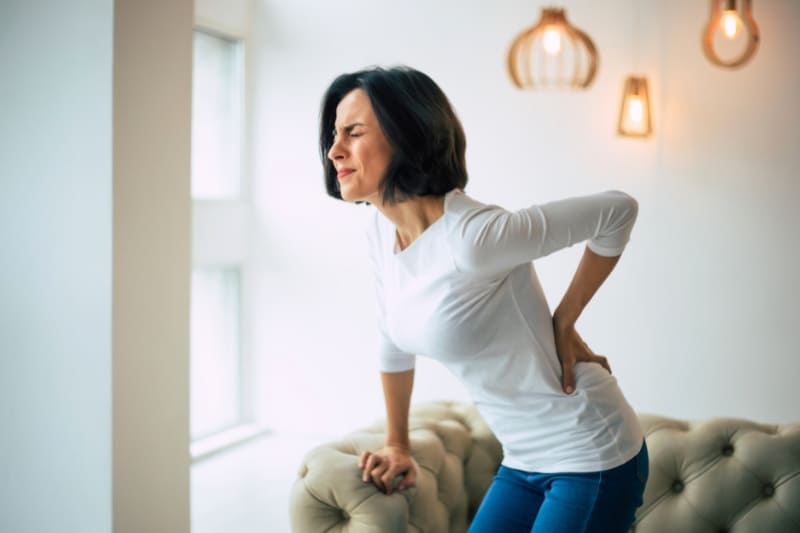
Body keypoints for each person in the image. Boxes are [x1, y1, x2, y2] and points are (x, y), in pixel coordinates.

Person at [319, 65, 648, 533]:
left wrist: (564, 319)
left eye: (353, 132)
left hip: (590, 452)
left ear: (405, 135)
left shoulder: (472, 238)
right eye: (334, 134)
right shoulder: (380, 229)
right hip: (521, 459)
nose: (334, 150)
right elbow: (392, 339)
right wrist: (398, 444)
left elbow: (618, 210)